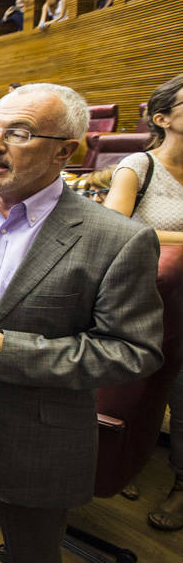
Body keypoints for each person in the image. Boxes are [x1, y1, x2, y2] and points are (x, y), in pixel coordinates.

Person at [0, 84, 164, 563]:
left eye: (19, 133)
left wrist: (9, 352)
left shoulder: (116, 239)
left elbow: (134, 351)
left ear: (65, 151)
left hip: (38, 428)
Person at [104, 72, 183, 531]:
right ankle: (124, 461)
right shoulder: (140, 164)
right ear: (162, 119)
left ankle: (179, 485)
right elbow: (116, 226)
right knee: (137, 387)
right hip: (146, 299)